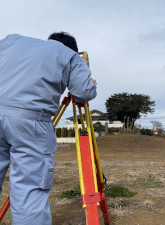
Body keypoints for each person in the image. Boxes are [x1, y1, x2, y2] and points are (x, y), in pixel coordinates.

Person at [0, 32, 97, 225]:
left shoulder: (11, 41)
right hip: (31, 122)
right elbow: (83, 93)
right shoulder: (69, 55)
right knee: (29, 191)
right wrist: (90, 83)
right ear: (73, 48)